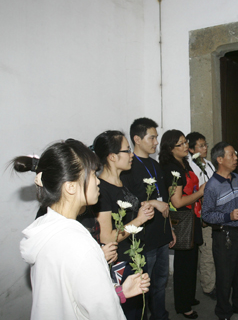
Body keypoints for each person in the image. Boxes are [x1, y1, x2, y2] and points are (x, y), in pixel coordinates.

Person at [14, 139, 150, 320]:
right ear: (70, 186)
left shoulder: (46, 228)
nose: (97, 181)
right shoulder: (80, 244)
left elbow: (71, 297)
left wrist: (119, 292)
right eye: (93, 174)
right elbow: (104, 314)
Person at [93, 131, 155, 319]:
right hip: (120, 262)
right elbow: (107, 237)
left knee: (140, 309)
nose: (131, 155)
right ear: (112, 156)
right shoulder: (101, 189)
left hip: (134, 254)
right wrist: (139, 220)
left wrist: (140, 210)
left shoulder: (120, 181)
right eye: (127, 150)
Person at [121, 117, 176, 320]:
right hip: (144, 240)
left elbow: (165, 203)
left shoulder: (155, 165)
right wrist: (153, 203)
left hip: (161, 234)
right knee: (142, 286)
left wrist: (170, 229)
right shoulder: (128, 167)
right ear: (137, 138)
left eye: (156, 137)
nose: (156, 142)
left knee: (161, 282)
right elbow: (129, 203)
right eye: (152, 138)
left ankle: (160, 315)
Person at [202, 142, 238, 320]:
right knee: (225, 277)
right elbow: (206, 216)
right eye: (231, 155)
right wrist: (228, 216)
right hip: (223, 235)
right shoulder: (212, 185)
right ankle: (223, 312)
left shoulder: (237, 178)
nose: (236, 158)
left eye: (235, 154)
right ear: (220, 159)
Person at [159, 130, 205, 319]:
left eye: (186, 142)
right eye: (181, 144)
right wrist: (201, 193)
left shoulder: (184, 162)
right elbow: (177, 201)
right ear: (170, 149)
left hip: (192, 214)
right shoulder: (172, 168)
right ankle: (183, 304)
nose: (186, 146)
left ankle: (189, 296)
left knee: (192, 259)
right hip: (182, 217)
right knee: (184, 264)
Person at [186, 131, 217, 300]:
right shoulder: (191, 166)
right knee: (207, 251)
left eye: (205, 144)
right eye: (201, 145)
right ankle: (208, 286)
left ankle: (212, 280)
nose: (205, 148)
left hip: (214, 211)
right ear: (191, 149)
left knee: (213, 250)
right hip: (201, 212)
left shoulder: (209, 164)